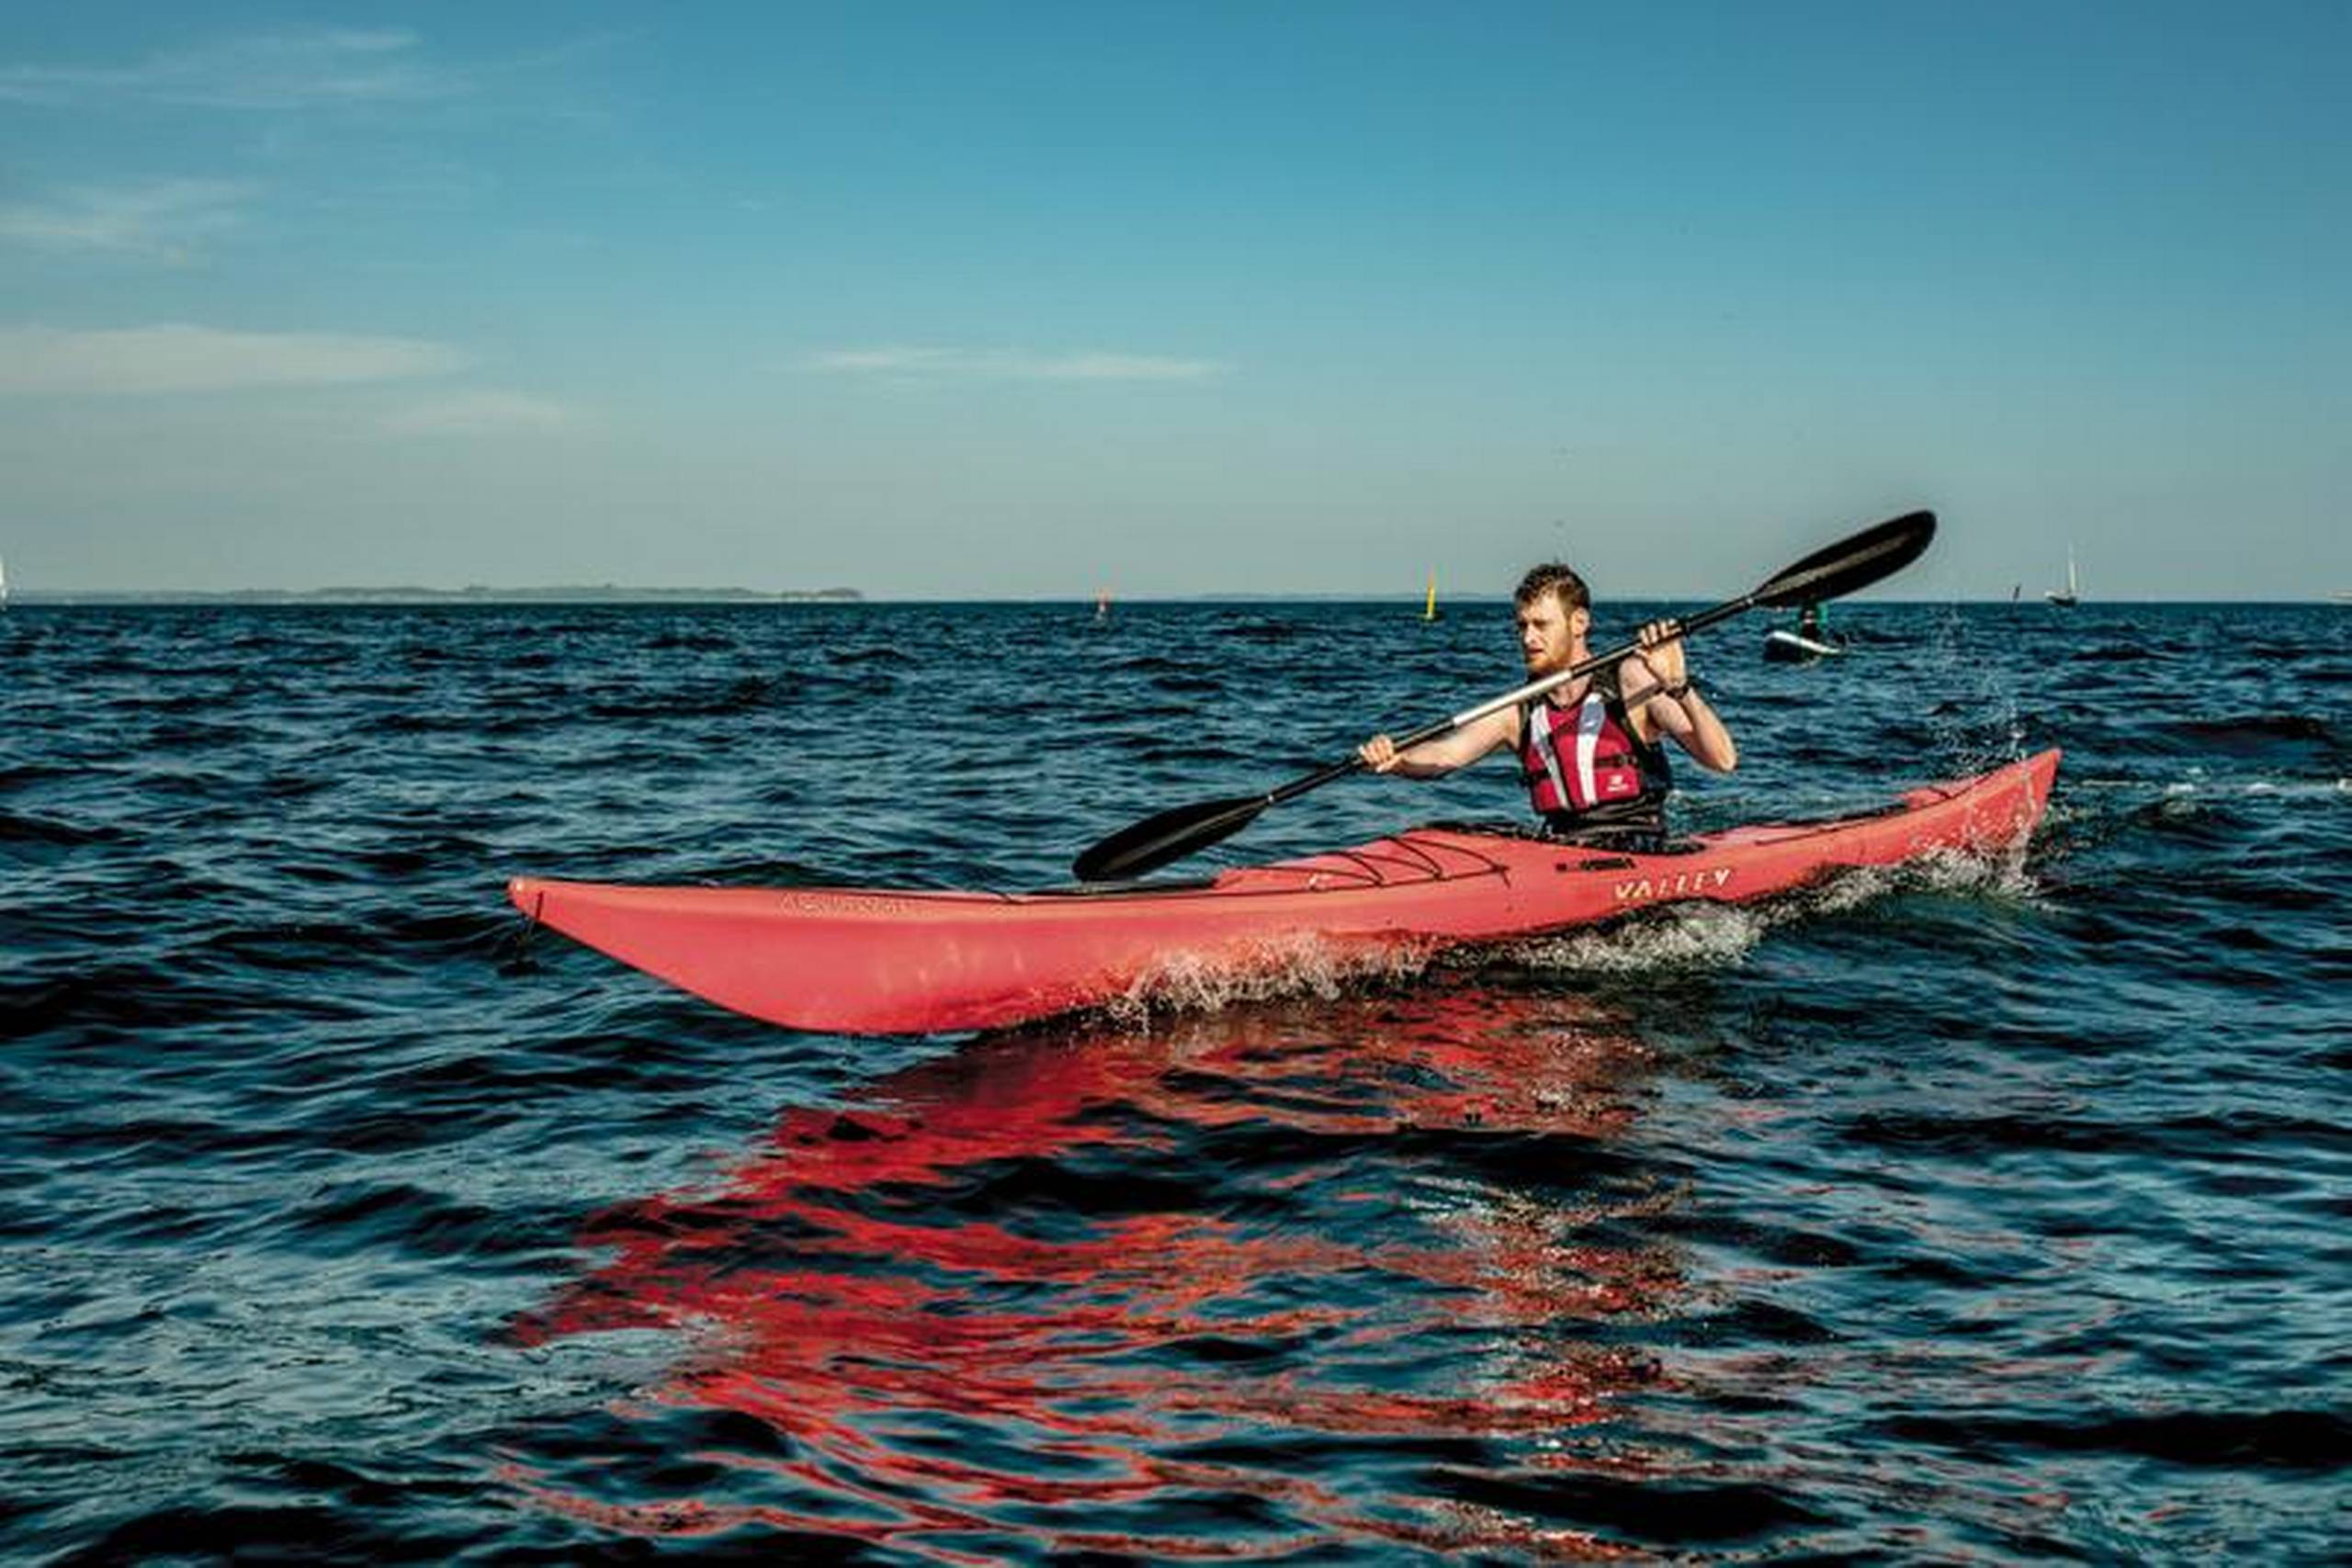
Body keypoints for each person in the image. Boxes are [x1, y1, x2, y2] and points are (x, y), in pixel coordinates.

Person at [1357, 562, 1737, 847]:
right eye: (1522, 626)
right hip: (1560, 847)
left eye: (1541, 624)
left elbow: (1722, 759)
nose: (1528, 637)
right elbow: (1447, 754)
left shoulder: (1631, 679)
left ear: (1579, 622)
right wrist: (1398, 759)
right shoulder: (1517, 709)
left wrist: (1679, 687)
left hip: (1639, 846)